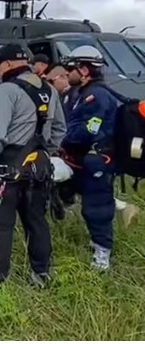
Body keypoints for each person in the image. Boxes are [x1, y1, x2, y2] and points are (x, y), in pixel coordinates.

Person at [0, 43, 66, 295]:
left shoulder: (6, 90)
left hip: (7, 168)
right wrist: (46, 151)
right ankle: (41, 274)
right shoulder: (50, 89)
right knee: (37, 222)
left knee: (0, 226)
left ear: (7, 65)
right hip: (39, 167)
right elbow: (60, 129)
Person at [60, 45, 120, 270]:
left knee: (97, 207)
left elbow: (89, 130)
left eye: (71, 68)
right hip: (82, 159)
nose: (67, 72)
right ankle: (95, 241)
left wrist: (63, 139)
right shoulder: (81, 94)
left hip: (97, 160)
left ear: (84, 70)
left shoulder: (97, 97)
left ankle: (102, 255)